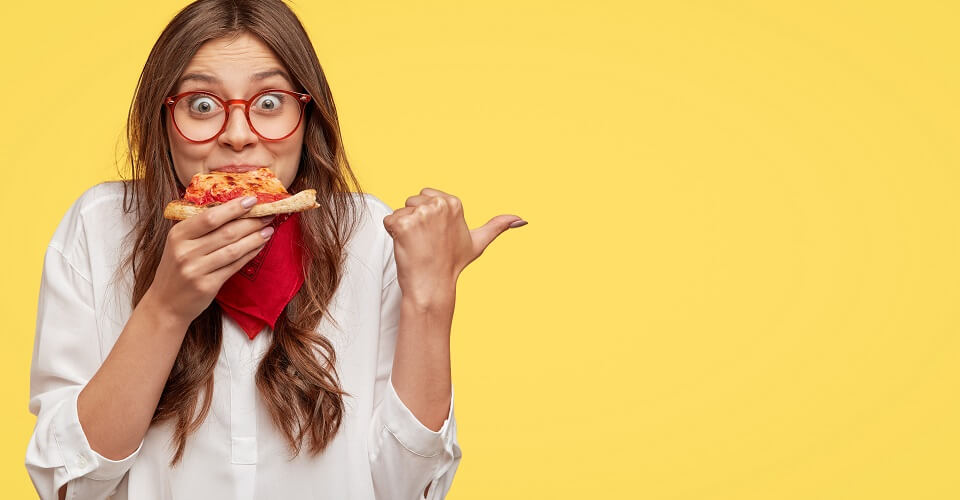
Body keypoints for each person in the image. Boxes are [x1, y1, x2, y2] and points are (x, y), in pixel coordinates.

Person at [24, 1, 527, 498]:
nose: (239, 136)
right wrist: (165, 309)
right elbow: (68, 487)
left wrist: (430, 299)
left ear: (307, 116)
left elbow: (408, 491)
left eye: (269, 103)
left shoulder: (372, 236)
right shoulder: (99, 228)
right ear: (163, 116)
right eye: (202, 105)